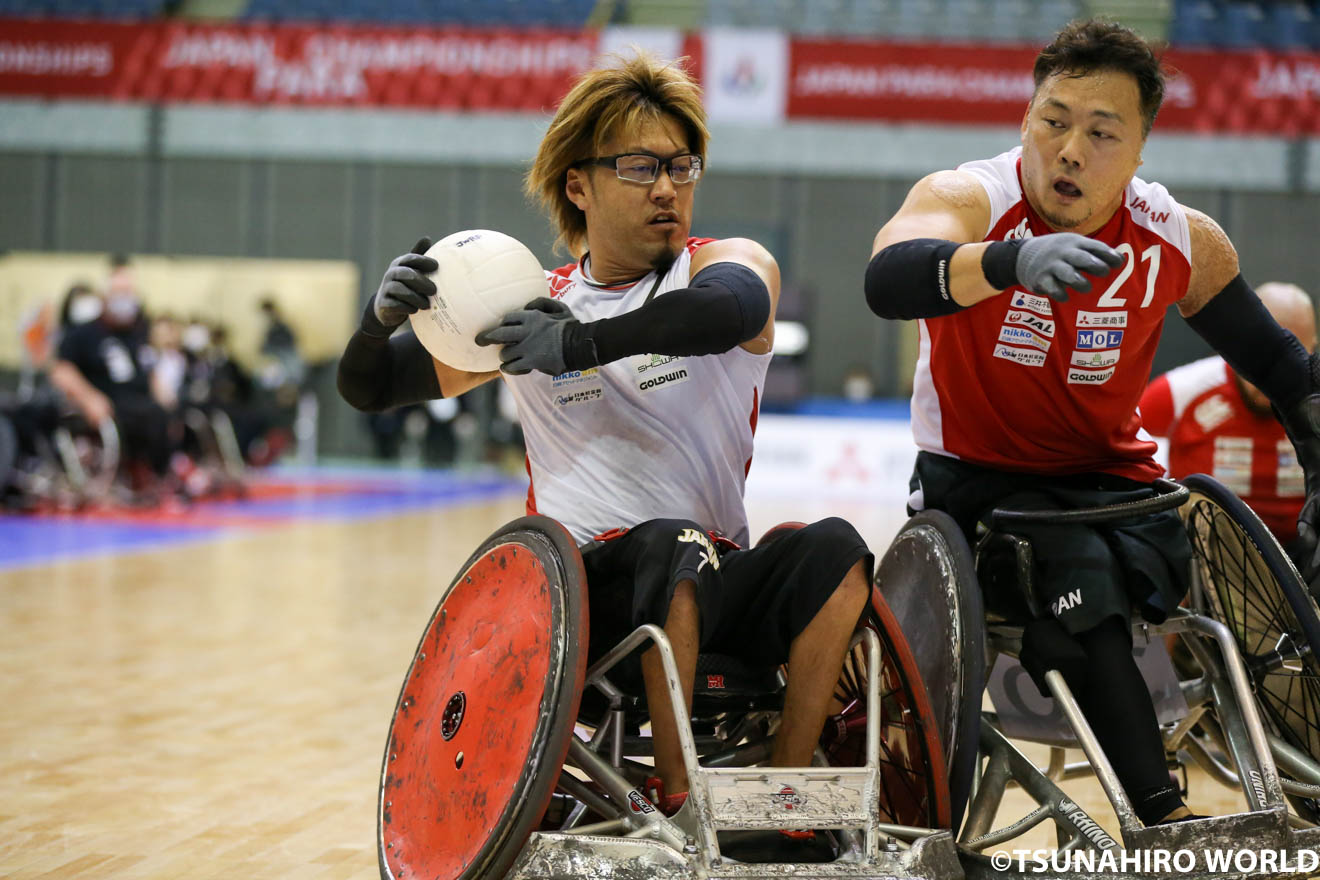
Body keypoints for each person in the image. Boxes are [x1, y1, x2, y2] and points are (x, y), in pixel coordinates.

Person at [338, 52, 872, 838]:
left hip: (713, 574)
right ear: (578, 184)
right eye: (639, 166)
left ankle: (786, 796)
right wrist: (375, 324)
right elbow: (373, 386)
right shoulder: (526, 309)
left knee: (836, 546)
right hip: (579, 602)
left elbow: (722, 315)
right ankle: (682, 804)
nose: (667, 187)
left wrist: (584, 344)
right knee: (672, 546)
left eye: (681, 166)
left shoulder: (723, 266)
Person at [863, 19, 1320, 826]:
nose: (1069, 149)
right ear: (1025, 122)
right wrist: (1004, 263)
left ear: (1139, 154)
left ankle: (1293, 775)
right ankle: (1160, 813)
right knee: (1080, 575)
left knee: (1219, 556)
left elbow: (1287, 372)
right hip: (980, 485)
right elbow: (889, 277)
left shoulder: (1177, 238)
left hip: (1119, 486)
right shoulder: (971, 199)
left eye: (1101, 132)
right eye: (1053, 120)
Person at [1142, 282, 1317, 548]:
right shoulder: (1180, 391)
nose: (1274, 375)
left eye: (1293, 361)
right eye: (1261, 357)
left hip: (1304, 549)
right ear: (1238, 347)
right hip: (1207, 553)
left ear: (1313, 351)